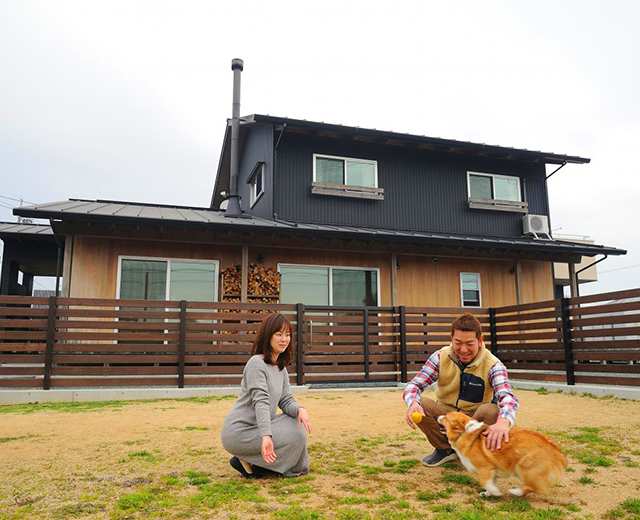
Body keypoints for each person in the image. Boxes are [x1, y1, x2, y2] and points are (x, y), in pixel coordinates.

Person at [404, 313, 519, 467]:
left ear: (480, 340)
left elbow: (507, 396)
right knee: (422, 403)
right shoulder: (440, 357)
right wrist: (413, 404)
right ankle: (445, 450)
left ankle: (475, 451)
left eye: (470, 343)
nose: (463, 349)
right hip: (445, 416)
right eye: (458, 342)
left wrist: (504, 421)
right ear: (451, 338)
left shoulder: (493, 365)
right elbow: (414, 385)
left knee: (492, 411)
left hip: (473, 420)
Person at [221, 313, 312, 478]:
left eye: (287, 335)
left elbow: (286, 400)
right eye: (279, 334)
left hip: (259, 428)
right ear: (268, 336)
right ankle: (260, 463)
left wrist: (300, 410)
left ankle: (258, 465)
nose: (284, 339)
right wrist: (266, 436)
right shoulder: (256, 363)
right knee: (295, 431)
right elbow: (261, 402)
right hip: (240, 432)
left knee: (296, 422)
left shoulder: (280, 368)